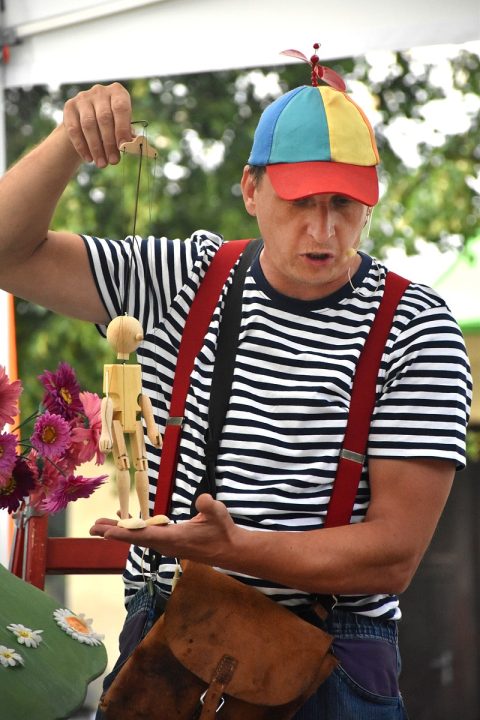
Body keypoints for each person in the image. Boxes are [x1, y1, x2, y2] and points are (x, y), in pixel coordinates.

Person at [0, 71, 471, 720]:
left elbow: (393, 555)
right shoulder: (182, 277)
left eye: (344, 203)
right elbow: (8, 252)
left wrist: (233, 549)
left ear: (372, 200)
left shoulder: (416, 327)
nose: (324, 231)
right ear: (251, 189)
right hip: (170, 644)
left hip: (333, 659)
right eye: (302, 202)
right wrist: (68, 141)